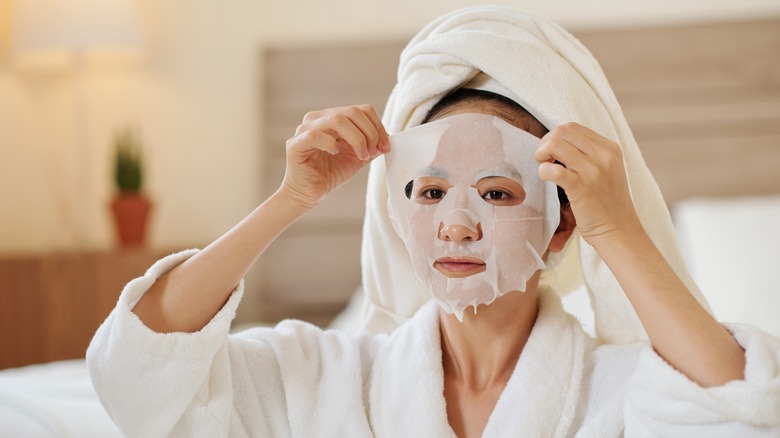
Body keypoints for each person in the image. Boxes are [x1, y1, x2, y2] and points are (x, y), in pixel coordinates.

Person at [87, 6, 780, 437]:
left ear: (562, 227)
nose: (455, 226)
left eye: (500, 194)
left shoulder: (626, 388)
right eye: (427, 192)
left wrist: (617, 227)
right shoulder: (321, 376)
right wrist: (289, 200)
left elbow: (738, 414)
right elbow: (138, 377)